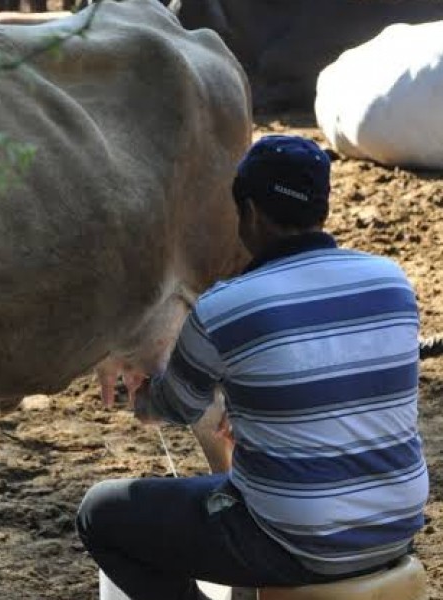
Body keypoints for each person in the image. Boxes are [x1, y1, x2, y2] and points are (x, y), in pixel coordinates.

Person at [76, 135, 429, 600]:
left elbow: (176, 408)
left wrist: (142, 393)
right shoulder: (392, 281)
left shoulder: (228, 306)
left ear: (250, 214)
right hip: (398, 522)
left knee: (102, 513)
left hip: (297, 540)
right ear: (321, 210)